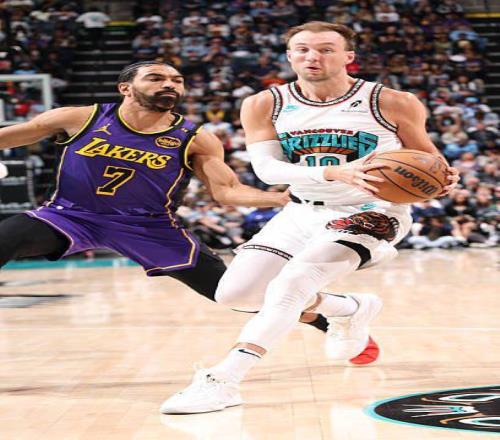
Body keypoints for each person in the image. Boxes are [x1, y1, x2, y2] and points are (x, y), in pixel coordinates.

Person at [160, 22, 459, 414]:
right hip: (301, 210)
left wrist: (442, 178)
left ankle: (224, 380)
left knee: (292, 284)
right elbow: (267, 169)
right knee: (237, 294)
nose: (312, 57)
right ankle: (348, 309)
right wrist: (332, 172)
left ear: (348, 56)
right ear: (289, 56)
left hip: (371, 211)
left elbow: (428, 160)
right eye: (302, 49)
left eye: (325, 49)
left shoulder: (391, 101)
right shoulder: (264, 103)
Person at [0, 61, 290, 303]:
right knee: (5, 237)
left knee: (238, 295)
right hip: (70, 216)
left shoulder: (195, 138)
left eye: (177, 80)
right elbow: (10, 137)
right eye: (156, 78)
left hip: (149, 226)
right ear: (125, 88)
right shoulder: (80, 118)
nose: (170, 84)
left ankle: (318, 320)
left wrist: (279, 198)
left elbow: (227, 191)